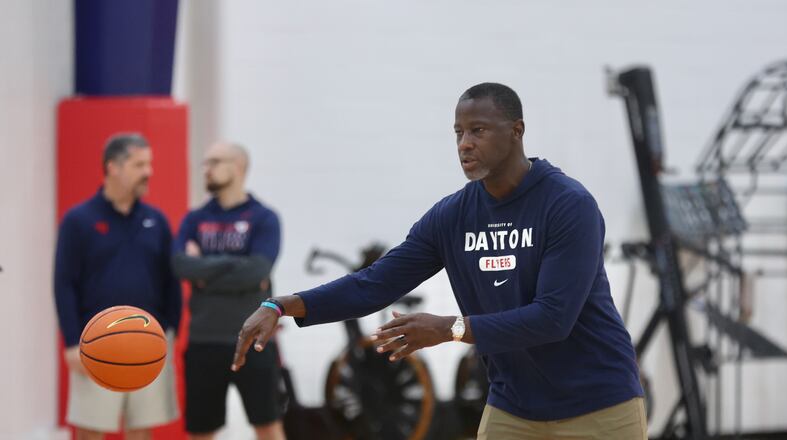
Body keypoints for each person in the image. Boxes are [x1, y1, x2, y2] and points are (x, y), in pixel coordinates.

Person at [233, 83, 647, 439]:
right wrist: (282, 305)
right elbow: (376, 283)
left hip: (597, 404)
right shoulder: (453, 216)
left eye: (478, 130)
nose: (464, 143)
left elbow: (553, 318)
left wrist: (451, 328)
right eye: (458, 132)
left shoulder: (567, 205)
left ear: (517, 132)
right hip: (514, 409)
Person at [54, 133, 182, 440]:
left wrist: (170, 331)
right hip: (95, 342)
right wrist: (72, 342)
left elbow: (171, 281)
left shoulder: (157, 220)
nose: (148, 172)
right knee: (90, 431)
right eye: (139, 164)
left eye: (149, 164)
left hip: (149, 340)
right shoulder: (78, 220)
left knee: (141, 430)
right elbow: (63, 283)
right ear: (113, 167)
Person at [172, 142, 285, 440]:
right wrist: (237, 270)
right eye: (204, 163)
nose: (205, 169)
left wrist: (204, 270)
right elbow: (181, 265)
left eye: (214, 162)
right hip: (203, 342)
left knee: (268, 426)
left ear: (237, 167)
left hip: (255, 340)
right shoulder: (194, 219)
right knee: (201, 431)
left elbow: (258, 271)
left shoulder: (264, 218)